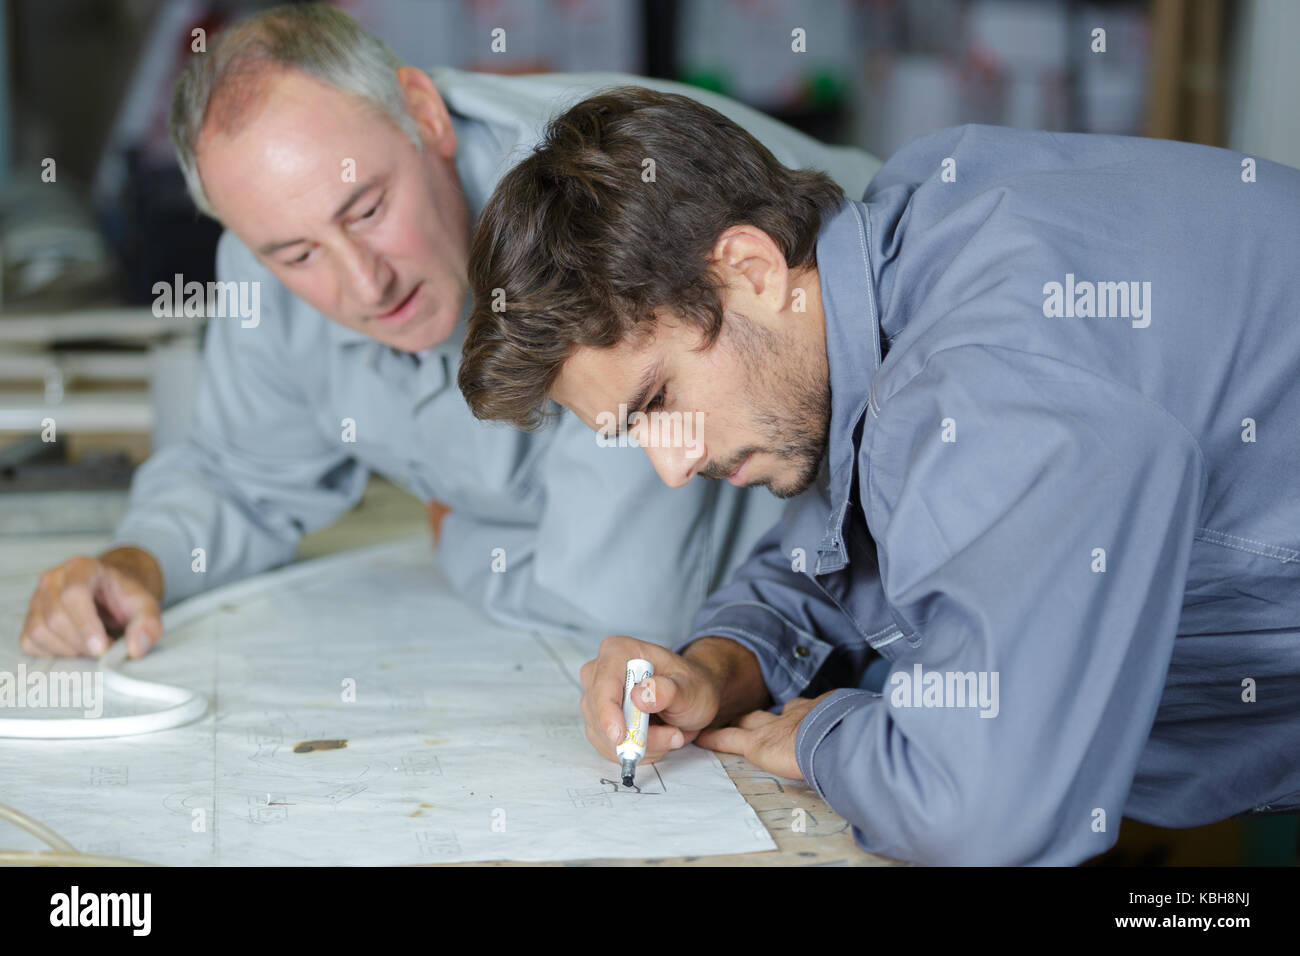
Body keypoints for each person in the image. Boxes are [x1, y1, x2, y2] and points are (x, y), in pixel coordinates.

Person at [458, 86, 1300, 864]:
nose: (673, 466)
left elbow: (979, 814)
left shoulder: (988, 378)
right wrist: (715, 669)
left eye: (659, 400)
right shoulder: (910, 236)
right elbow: (850, 542)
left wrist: (828, 735)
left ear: (749, 269)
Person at [19, 4, 882, 660]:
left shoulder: (592, 215)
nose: (363, 282)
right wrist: (139, 563)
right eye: (294, 252)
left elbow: (626, 611)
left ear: (425, 115)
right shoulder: (268, 255)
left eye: (368, 208)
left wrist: (456, 534)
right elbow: (244, 477)